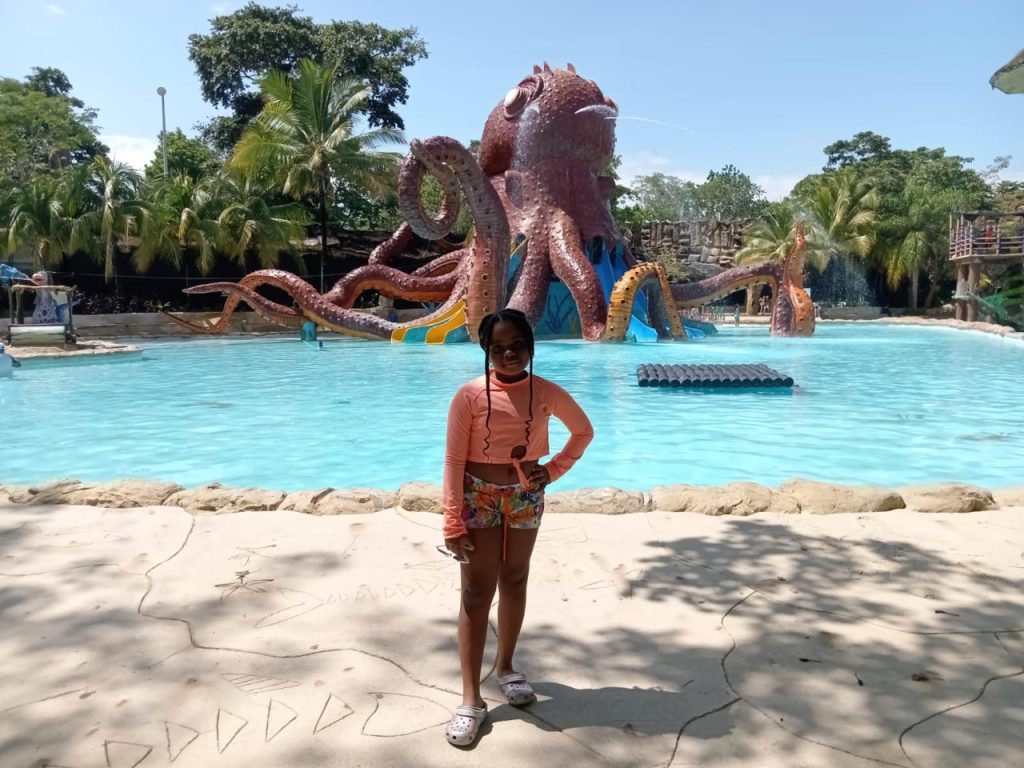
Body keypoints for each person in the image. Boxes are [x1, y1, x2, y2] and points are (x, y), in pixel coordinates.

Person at [441, 308, 593, 747]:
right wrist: (452, 519)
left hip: (525, 497)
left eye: (517, 345)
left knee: (515, 578)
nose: (509, 354)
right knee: (476, 590)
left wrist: (553, 470)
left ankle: (506, 667)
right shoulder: (470, 395)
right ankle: (470, 698)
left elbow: (583, 431)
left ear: (530, 346)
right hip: (478, 496)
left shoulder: (544, 391)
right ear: (486, 351)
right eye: (498, 348)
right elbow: (453, 460)